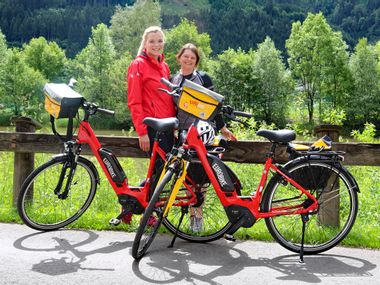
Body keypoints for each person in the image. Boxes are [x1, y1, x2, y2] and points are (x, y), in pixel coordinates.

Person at [171, 43, 237, 232]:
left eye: (192, 57)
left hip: (202, 132)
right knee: (185, 175)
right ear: (179, 58)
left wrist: (223, 128)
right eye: (186, 56)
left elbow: (214, 106)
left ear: (196, 61)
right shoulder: (173, 79)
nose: (188, 59)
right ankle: (190, 214)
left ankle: (197, 217)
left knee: (201, 176)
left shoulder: (203, 78)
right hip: (182, 134)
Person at [127, 26, 176, 154]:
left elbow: (168, 99)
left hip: (168, 126)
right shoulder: (137, 65)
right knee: (159, 171)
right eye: (152, 41)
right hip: (153, 127)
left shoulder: (164, 66)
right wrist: (142, 132)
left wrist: (174, 126)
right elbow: (134, 101)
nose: (156, 45)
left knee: (171, 171)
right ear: (145, 43)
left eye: (160, 41)